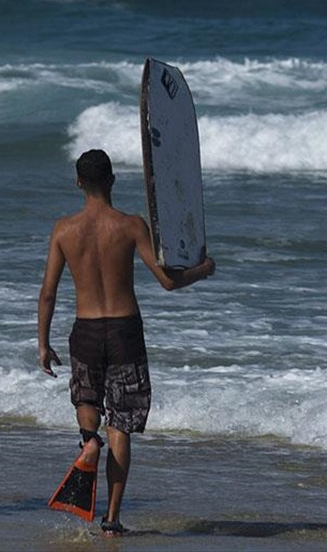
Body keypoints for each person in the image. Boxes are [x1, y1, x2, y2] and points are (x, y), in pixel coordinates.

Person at [37, 149, 216, 536]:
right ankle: (112, 519)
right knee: (121, 423)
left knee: (87, 401)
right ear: (113, 180)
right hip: (124, 330)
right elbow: (168, 281)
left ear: (78, 182)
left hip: (85, 329)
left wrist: (42, 342)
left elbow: (48, 293)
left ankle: (88, 440)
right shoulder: (131, 226)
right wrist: (202, 269)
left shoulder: (63, 230)